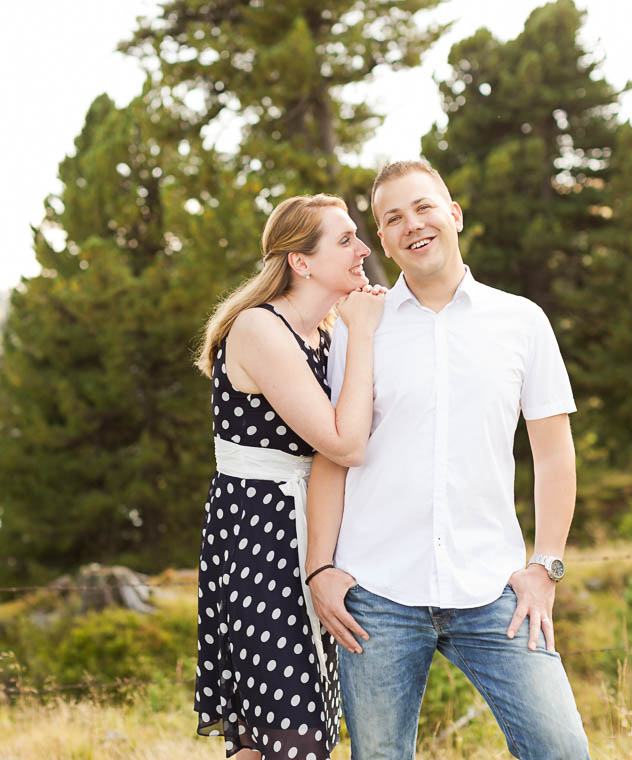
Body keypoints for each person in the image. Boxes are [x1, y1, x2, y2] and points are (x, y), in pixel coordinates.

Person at [305, 160, 590, 760]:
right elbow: (331, 456)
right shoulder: (359, 328)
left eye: (423, 207)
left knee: (561, 750)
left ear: (453, 214)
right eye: (393, 218)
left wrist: (547, 565)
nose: (413, 225)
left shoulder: (521, 321)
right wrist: (320, 569)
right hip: (376, 596)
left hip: (494, 589)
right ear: (381, 239)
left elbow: (554, 450)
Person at [193, 193, 387, 759]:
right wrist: (367, 336)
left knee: (277, 734)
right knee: (288, 729)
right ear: (301, 262)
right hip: (260, 531)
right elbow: (345, 442)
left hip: (310, 524)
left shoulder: (325, 332)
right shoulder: (259, 328)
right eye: (345, 239)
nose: (363, 248)